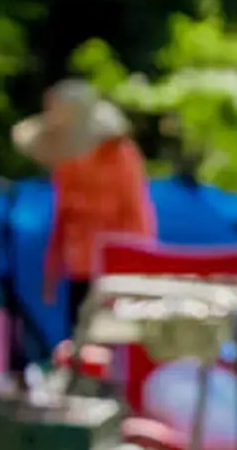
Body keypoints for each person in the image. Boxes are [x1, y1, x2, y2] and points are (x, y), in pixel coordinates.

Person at [15, 79, 156, 297]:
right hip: (80, 266)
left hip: (117, 267)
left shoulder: (120, 154)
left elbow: (134, 212)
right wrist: (51, 271)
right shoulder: (67, 160)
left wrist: (141, 267)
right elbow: (62, 215)